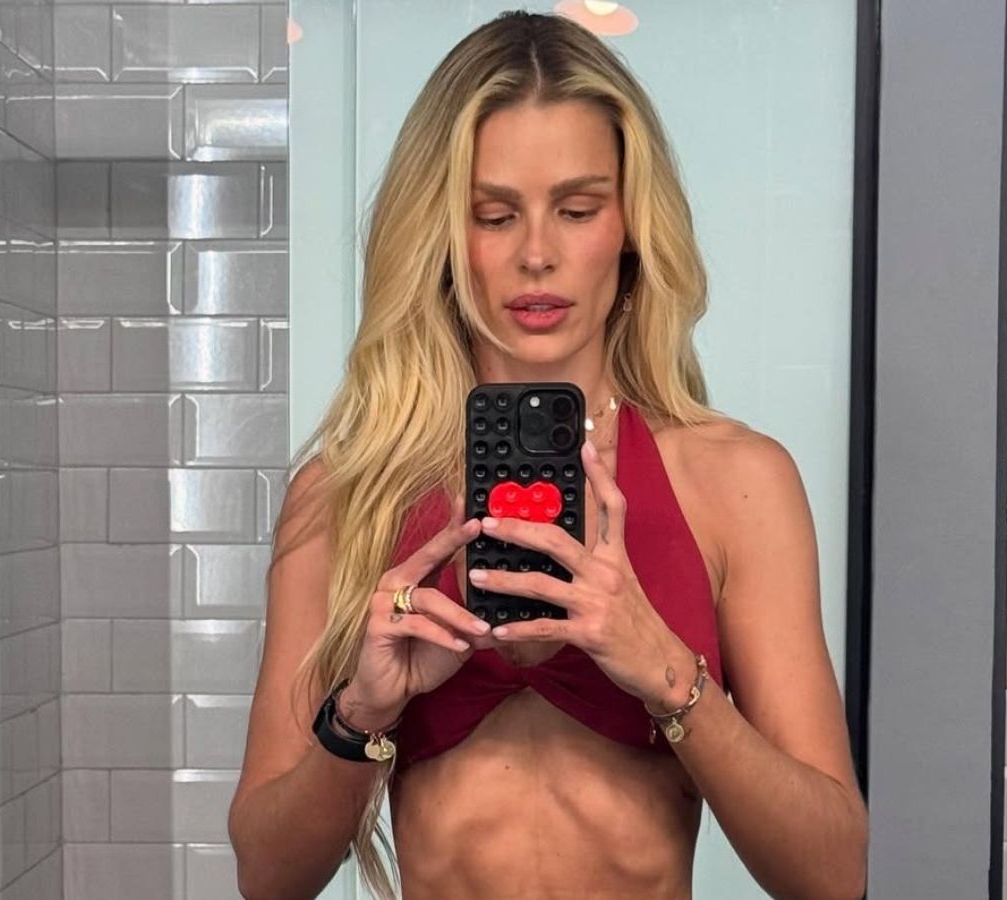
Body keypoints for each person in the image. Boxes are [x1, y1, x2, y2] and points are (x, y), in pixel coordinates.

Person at [228, 10, 867, 900]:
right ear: (442, 236)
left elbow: (833, 872)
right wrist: (362, 713)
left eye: (577, 210)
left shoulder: (736, 483)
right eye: (494, 216)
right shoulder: (346, 496)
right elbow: (266, 874)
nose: (537, 255)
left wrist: (667, 674)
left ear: (631, 224)